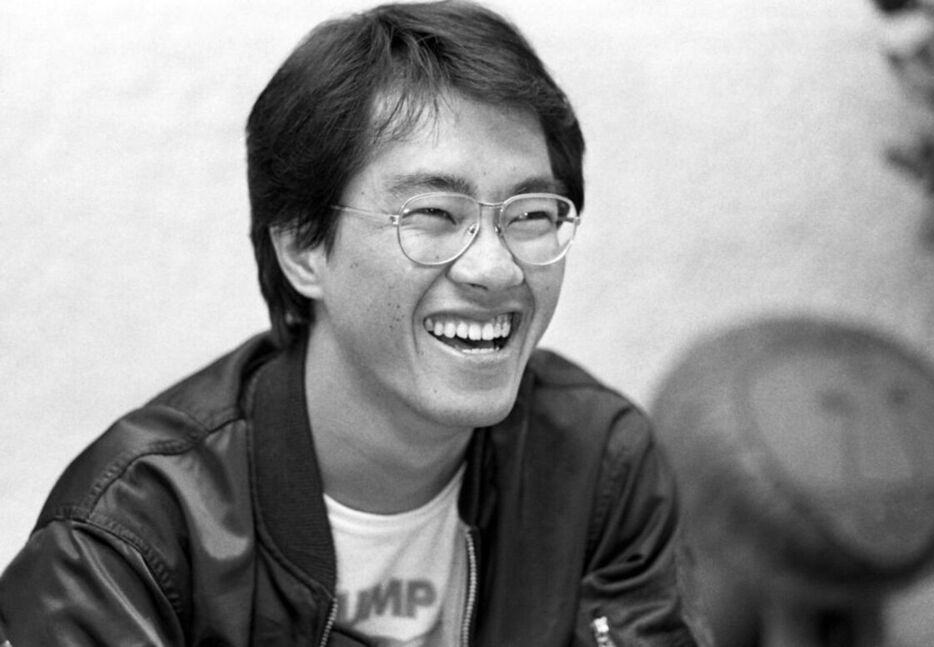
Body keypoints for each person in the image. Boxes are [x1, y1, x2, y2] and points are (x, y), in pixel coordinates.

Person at [0, 2, 698, 644]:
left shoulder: (596, 467)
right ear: (302, 249)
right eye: (434, 214)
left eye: (531, 215)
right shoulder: (129, 537)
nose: (495, 268)